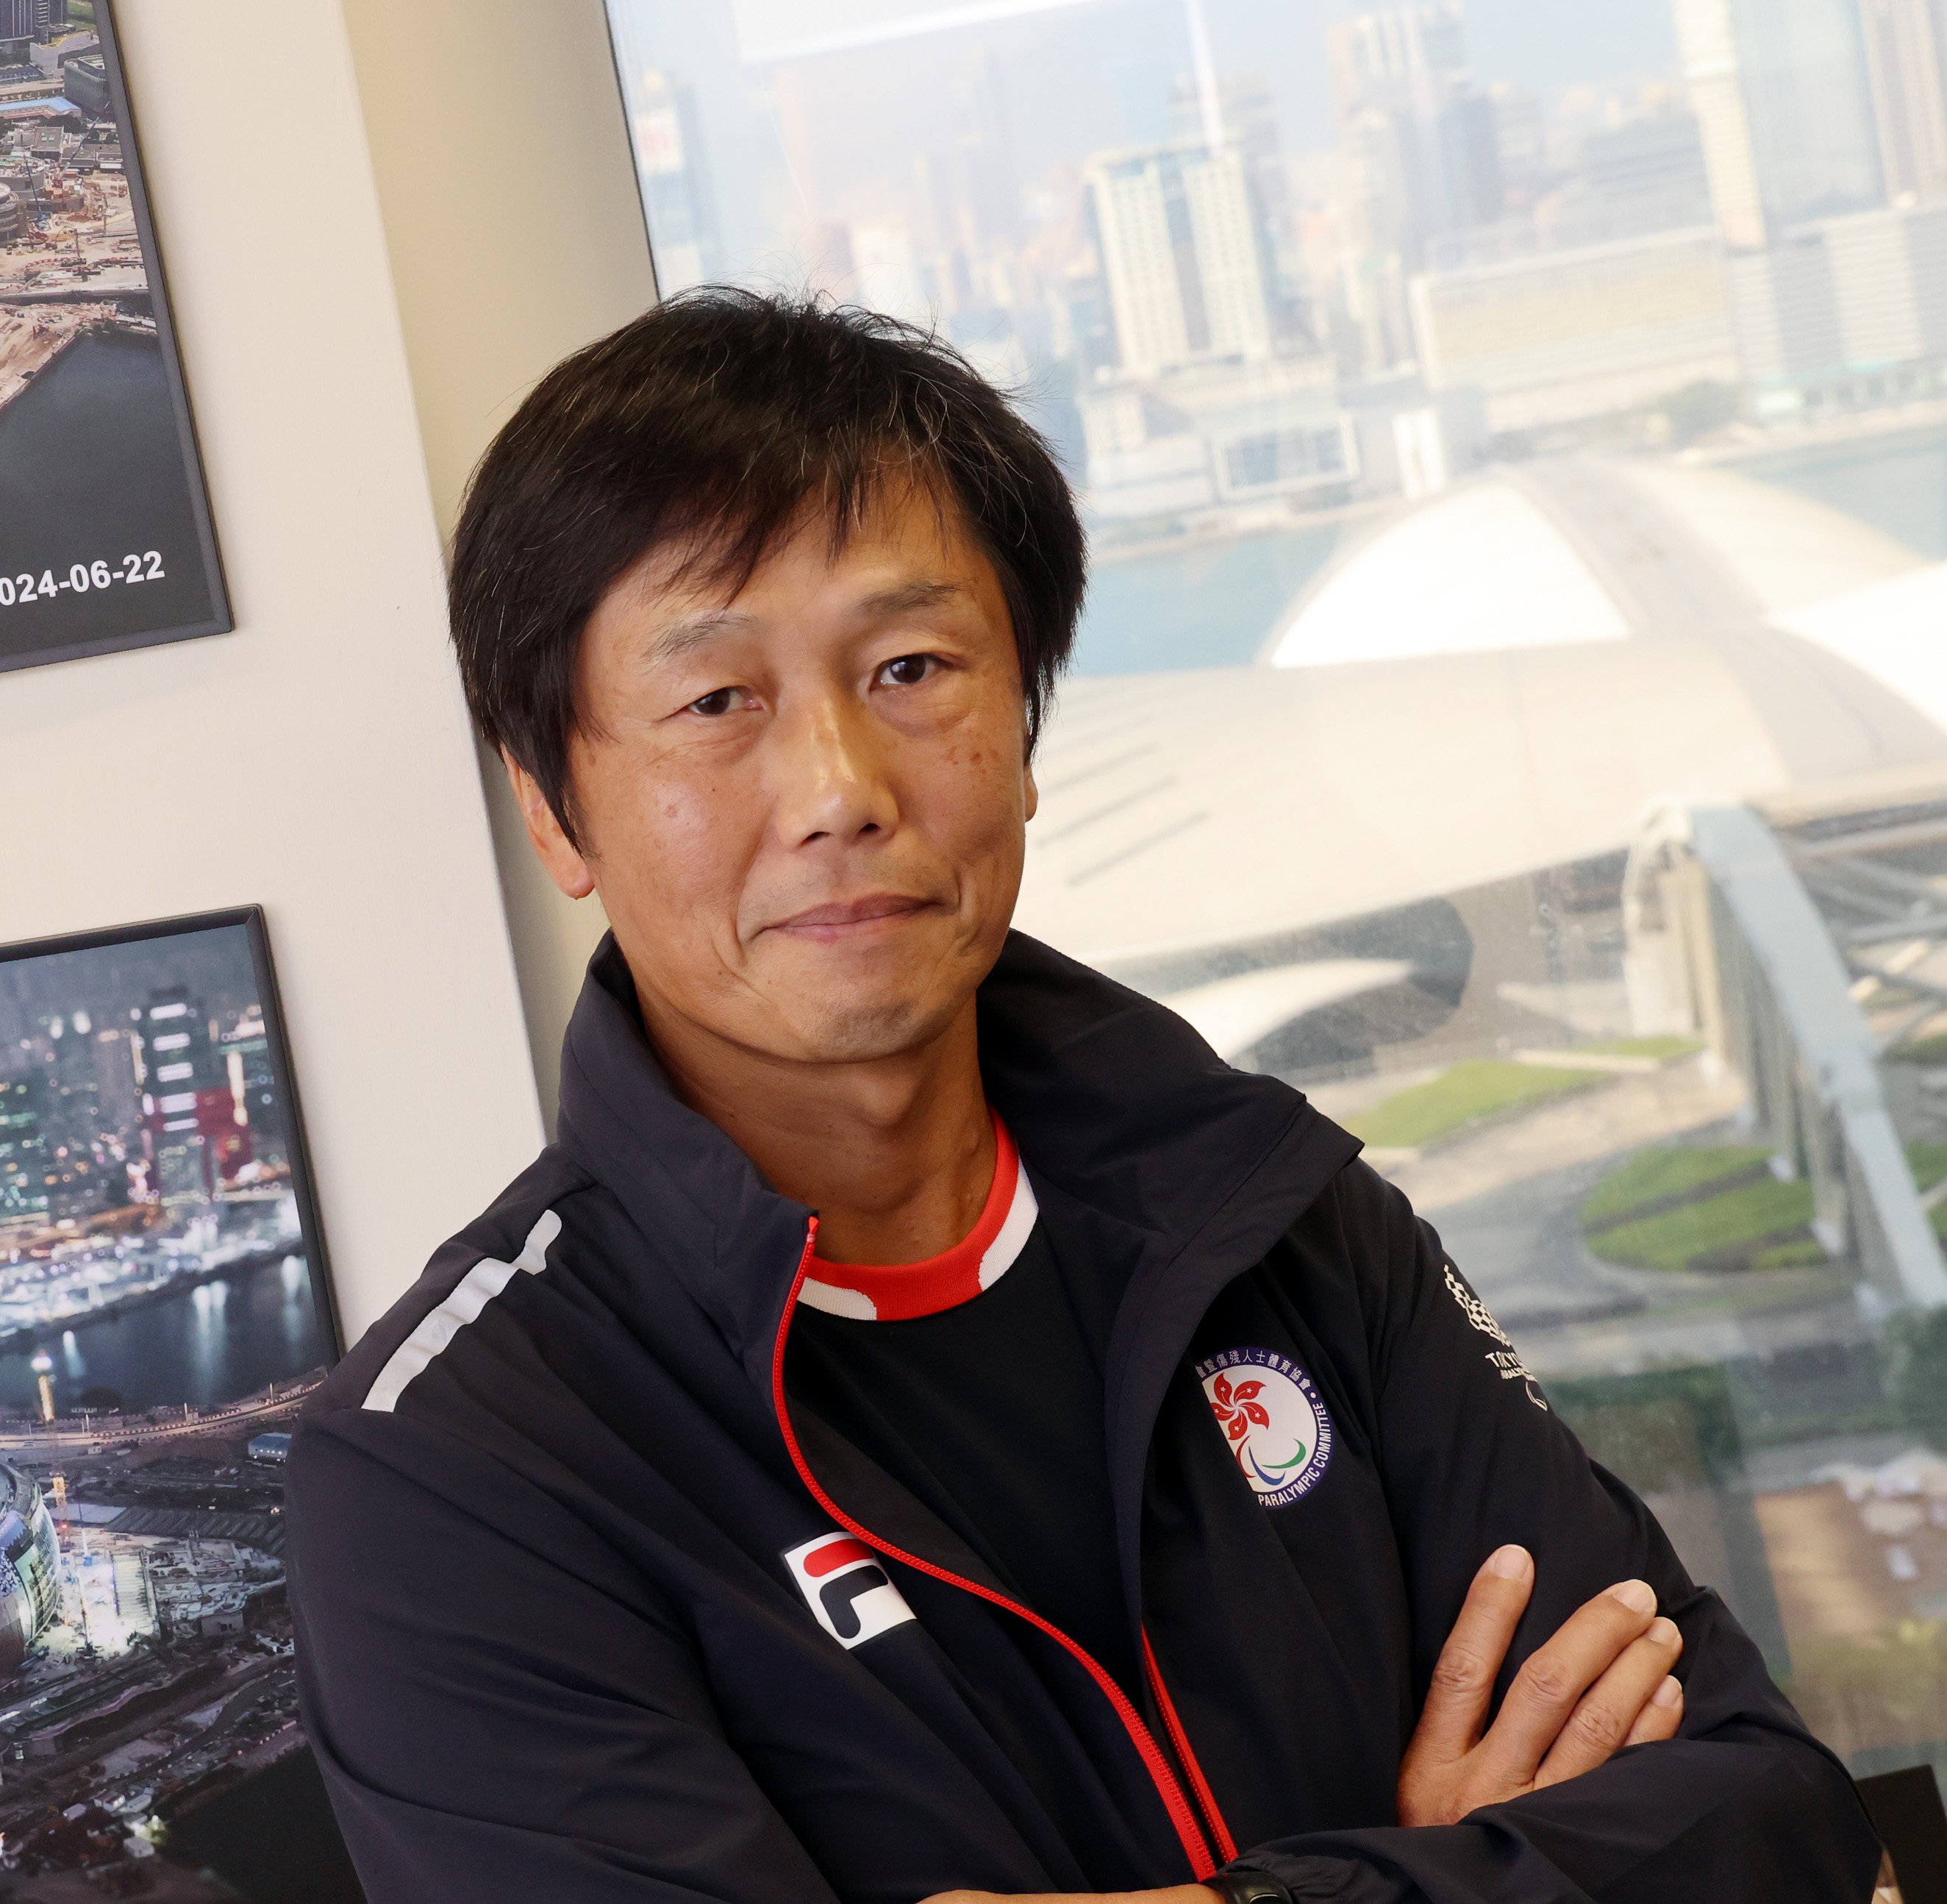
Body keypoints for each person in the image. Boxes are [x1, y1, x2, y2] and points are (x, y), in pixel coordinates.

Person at [283, 290, 1883, 1904]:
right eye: (718, 703)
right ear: (554, 807)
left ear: (1026, 726)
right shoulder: (459, 1473)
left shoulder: (1279, 1219)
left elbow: (1776, 1823)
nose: (840, 788)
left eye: (912, 666)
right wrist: (1454, 1871)